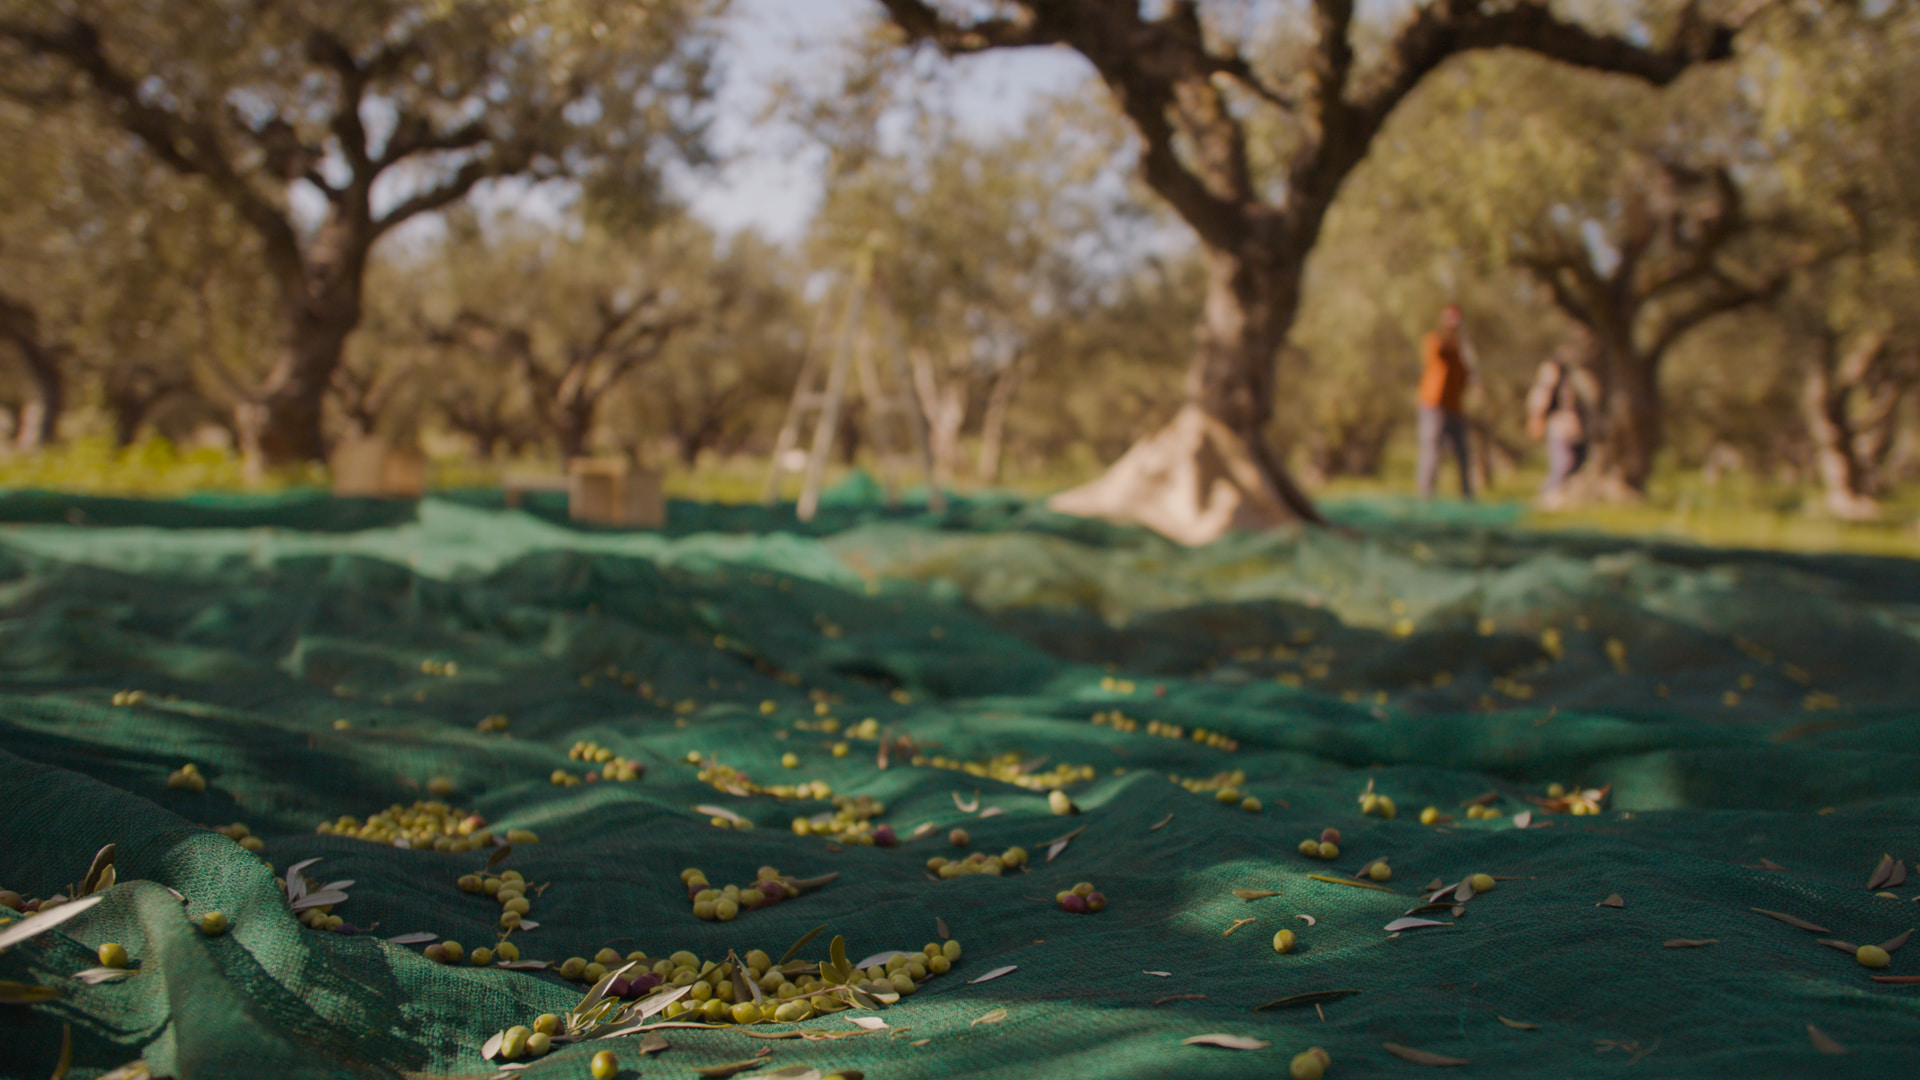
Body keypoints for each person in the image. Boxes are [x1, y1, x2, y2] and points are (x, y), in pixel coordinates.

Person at [1416, 303, 1473, 499]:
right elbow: (1441, 352)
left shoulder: (1462, 350)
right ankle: (1426, 496)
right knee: (1431, 451)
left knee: (1463, 453)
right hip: (1433, 405)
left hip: (1454, 407)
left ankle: (1467, 495)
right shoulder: (1435, 340)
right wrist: (1450, 330)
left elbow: (1465, 377)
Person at [1526, 348, 1591, 505]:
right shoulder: (1550, 378)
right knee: (1563, 461)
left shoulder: (1570, 378)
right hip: (1559, 426)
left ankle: (1561, 494)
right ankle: (1549, 494)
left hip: (1572, 427)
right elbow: (1541, 401)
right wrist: (1536, 419)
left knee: (1575, 461)